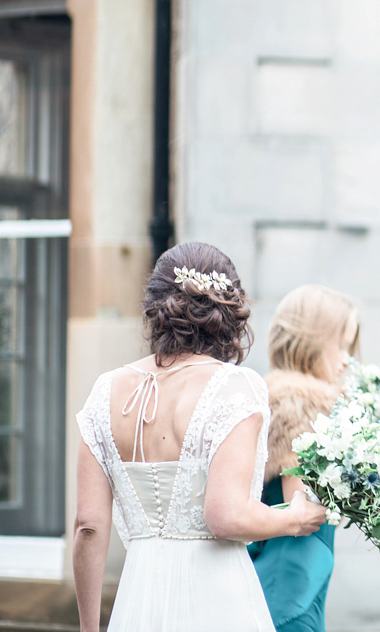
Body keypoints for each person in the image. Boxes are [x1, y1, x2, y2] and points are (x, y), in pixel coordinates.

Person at [73, 242, 327, 632]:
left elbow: (89, 525)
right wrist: (294, 520)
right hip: (216, 597)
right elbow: (226, 516)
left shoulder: (106, 391)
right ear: (230, 313)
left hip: (138, 598)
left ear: (155, 307)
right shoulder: (236, 387)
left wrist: (90, 628)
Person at [248, 285, 361, 632]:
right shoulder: (300, 404)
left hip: (297, 568)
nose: (346, 360)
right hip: (293, 574)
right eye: (340, 346)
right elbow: (301, 502)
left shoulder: (275, 396)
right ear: (310, 342)